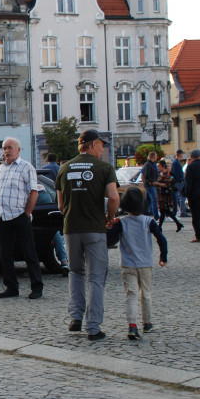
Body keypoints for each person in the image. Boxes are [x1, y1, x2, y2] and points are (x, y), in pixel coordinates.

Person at [57, 130, 119, 341]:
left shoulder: (64, 168)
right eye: (101, 145)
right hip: (94, 228)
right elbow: (113, 197)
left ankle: (75, 318)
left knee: (75, 272)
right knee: (96, 277)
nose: (102, 149)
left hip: (71, 228)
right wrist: (110, 217)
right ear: (93, 145)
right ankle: (93, 327)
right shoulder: (104, 168)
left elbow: (60, 205)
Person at [0, 137, 44, 301]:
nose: (6, 151)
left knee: (29, 253)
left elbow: (34, 192)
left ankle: (36, 287)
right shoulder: (0, 169)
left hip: (19, 216)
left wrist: (26, 214)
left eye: (9, 148)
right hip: (3, 217)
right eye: (4, 148)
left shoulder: (26, 167)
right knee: (5, 255)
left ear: (18, 150)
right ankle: (11, 287)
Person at [106, 187, 168, 340]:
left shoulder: (122, 222)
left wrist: (109, 226)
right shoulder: (149, 221)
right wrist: (163, 256)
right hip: (145, 263)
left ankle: (132, 325)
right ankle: (147, 323)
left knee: (131, 294)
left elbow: (109, 239)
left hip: (128, 264)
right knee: (145, 293)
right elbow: (161, 239)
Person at [153, 159, 183, 232]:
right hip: (161, 195)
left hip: (165, 195)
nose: (158, 168)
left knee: (165, 210)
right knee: (164, 211)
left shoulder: (167, 174)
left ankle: (160, 227)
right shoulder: (161, 174)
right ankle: (161, 227)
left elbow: (167, 184)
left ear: (163, 166)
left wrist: (157, 184)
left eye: (159, 166)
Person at [140, 151, 160, 219]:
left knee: (147, 201)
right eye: (156, 157)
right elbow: (146, 175)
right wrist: (150, 181)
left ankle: (144, 214)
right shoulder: (148, 165)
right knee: (154, 200)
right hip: (150, 185)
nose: (156, 158)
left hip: (149, 185)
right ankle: (156, 216)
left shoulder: (150, 164)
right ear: (153, 157)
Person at [171, 149, 188, 216]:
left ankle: (181, 211)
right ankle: (183, 212)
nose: (182, 155)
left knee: (179, 197)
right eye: (182, 153)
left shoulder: (176, 162)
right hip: (178, 182)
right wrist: (180, 179)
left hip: (178, 181)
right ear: (180, 154)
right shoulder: (176, 162)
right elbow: (176, 173)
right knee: (182, 196)